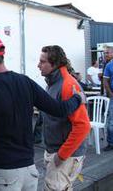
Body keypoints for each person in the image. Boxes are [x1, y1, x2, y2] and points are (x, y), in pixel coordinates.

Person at [0, 35, 86, 191]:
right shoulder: (25, 82)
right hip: (29, 173)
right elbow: (59, 109)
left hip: (1, 175)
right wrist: (77, 98)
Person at [38, 45, 90, 191]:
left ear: (54, 64)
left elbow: (83, 126)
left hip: (65, 155)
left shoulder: (68, 85)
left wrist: (61, 156)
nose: (38, 65)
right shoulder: (52, 82)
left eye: (42, 62)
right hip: (55, 150)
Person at [102, 47, 113, 152]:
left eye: (108, 53)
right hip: (112, 97)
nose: (106, 54)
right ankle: (111, 143)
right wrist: (110, 94)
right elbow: (105, 81)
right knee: (111, 121)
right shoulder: (109, 65)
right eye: (105, 53)